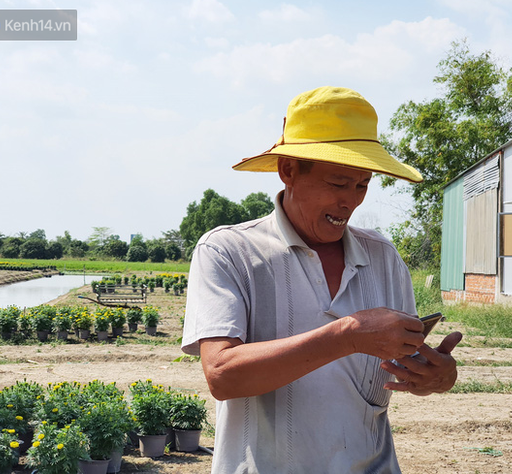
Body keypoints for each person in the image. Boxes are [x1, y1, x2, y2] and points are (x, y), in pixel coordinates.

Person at [182, 86, 462, 473]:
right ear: (288, 171)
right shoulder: (229, 252)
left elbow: (406, 363)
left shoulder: (382, 257)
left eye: (362, 184)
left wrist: (438, 376)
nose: (351, 201)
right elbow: (222, 376)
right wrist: (346, 336)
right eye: (337, 183)